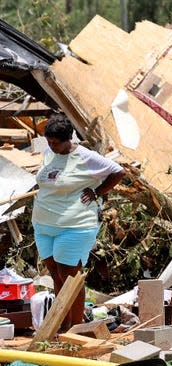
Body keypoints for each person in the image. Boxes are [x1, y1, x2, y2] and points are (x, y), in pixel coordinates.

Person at [33, 114, 125, 331]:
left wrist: (98, 191)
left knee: (70, 276)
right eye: (49, 142)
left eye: (56, 143)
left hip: (75, 225)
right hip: (44, 224)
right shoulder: (49, 153)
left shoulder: (85, 157)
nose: (52, 146)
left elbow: (118, 171)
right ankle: (61, 325)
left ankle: (76, 329)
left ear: (68, 139)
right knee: (55, 274)